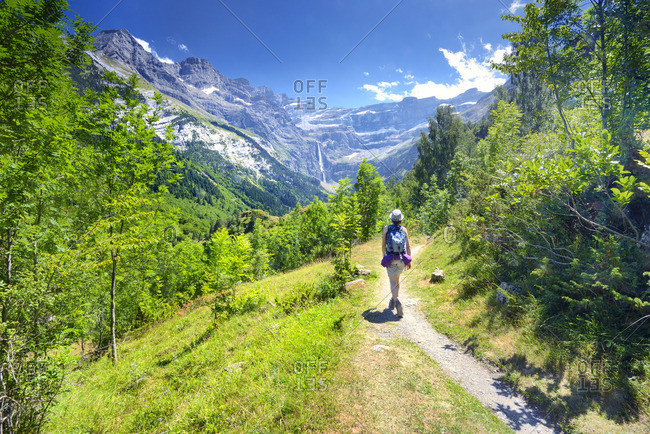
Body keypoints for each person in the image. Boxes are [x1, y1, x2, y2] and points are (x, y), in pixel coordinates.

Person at [381, 209, 411, 318]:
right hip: (402, 259)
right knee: (397, 279)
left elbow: (383, 245)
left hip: (390, 258)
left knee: (393, 281)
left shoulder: (386, 228)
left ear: (391, 219)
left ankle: (397, 301)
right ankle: (392, 300)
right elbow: (408, 246)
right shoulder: (404, 229)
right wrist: (409, 259)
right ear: (401, 220)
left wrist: (384, 257)